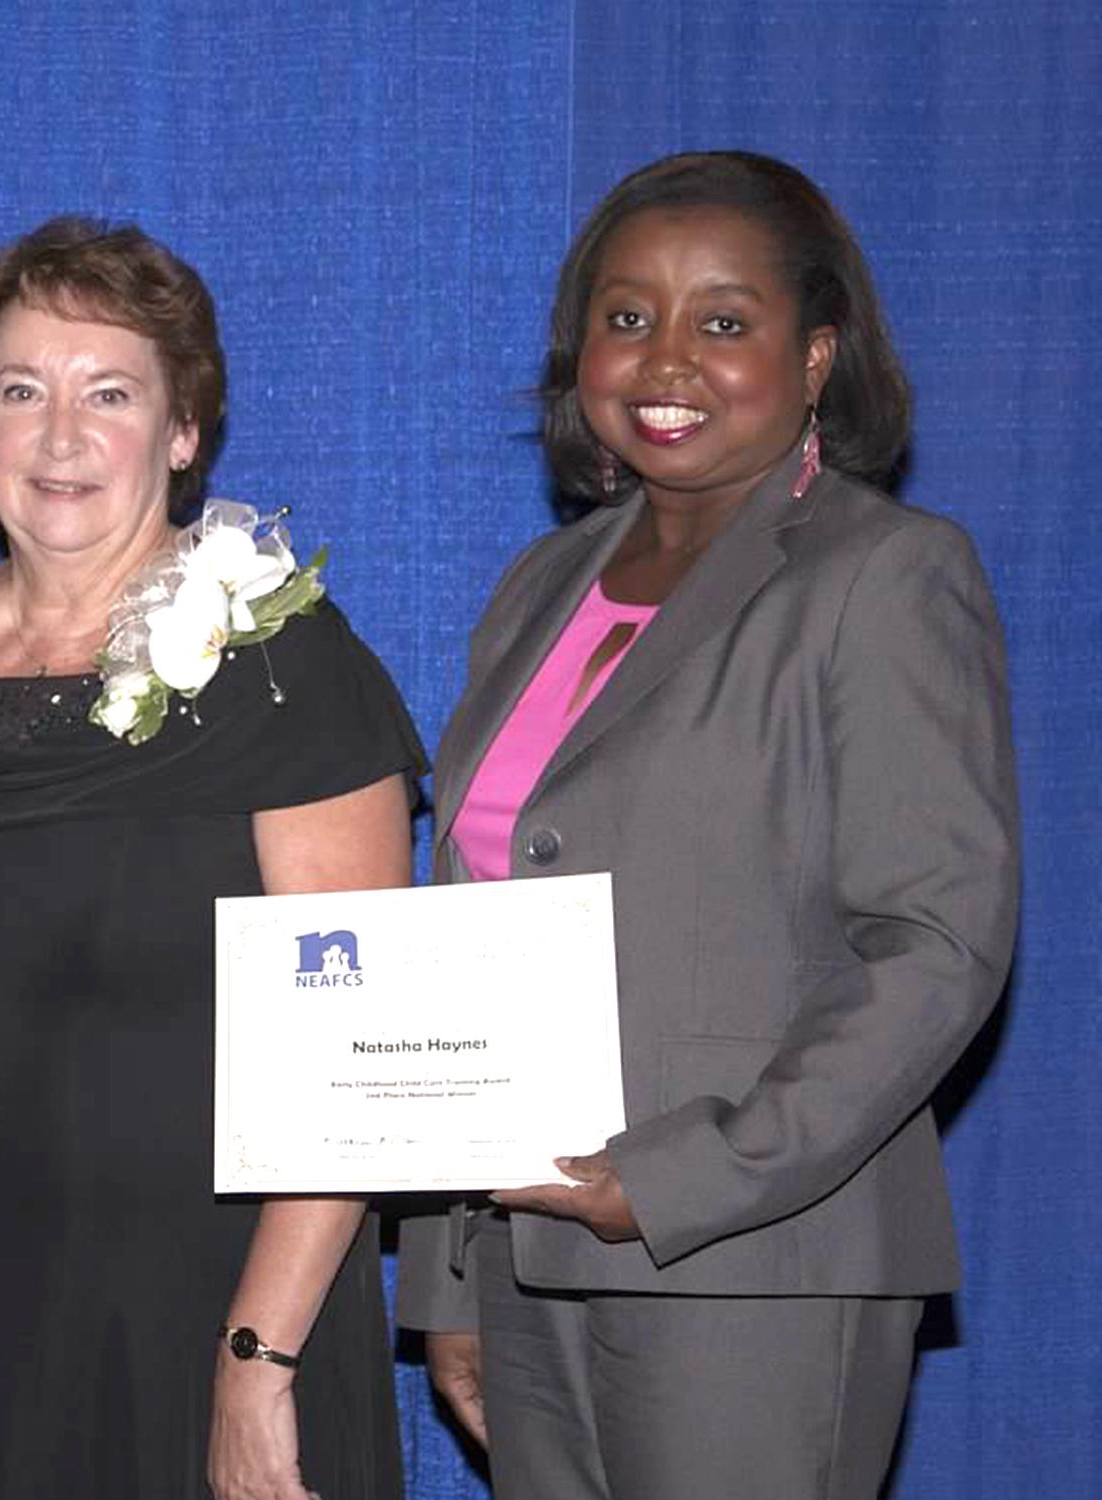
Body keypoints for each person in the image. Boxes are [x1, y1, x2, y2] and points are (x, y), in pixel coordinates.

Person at [394, 151, 1020, 1500]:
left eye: (723, 322)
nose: (666, 358)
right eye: (627, 318)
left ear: (815, 359)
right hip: (530, 1264)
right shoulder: (540, 586)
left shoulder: (889, 577)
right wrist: (451, 1271)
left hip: (758, 1263)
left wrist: (682, 1177)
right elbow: (471, 947)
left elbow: (938, 947)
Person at [0, 216, 424, 1500]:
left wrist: (256, 1363)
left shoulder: (287, 665)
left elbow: (355, 1053)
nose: (62, 434)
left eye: (112, 393)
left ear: (185, 433)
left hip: (208, 1327)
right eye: (20, 391)